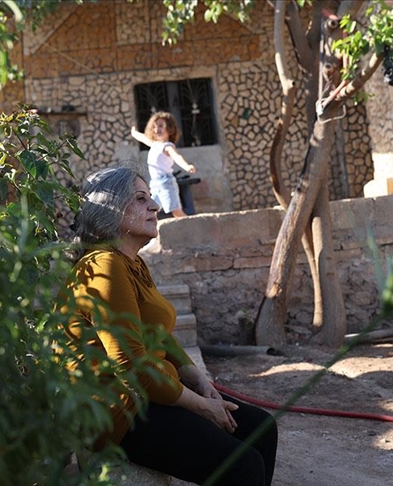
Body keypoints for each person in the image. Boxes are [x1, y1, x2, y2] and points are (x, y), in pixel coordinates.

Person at [57, 166, 278, 485]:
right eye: (140, 198)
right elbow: (129, 365)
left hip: (143, 394)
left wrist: (198, 379)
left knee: (261, 428)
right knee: (243, 466)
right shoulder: (105, 267)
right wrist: (202, 407)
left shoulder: (132, 262)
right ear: (111, 210)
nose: (155, 206)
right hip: (116, 411)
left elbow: (157, 336)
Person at [130, 112, 197, 218]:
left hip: (166, 183)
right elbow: (142, 138)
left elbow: (177, 157)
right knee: (151, 211)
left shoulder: (167, 147)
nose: (157, 129)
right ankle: (154, 234)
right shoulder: (154, 144)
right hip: (155, 184)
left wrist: (187, 166)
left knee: (176, 212)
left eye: (161, 126)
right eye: (154, 127)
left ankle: (193, 230)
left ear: (169, 128)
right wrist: (133, 132)